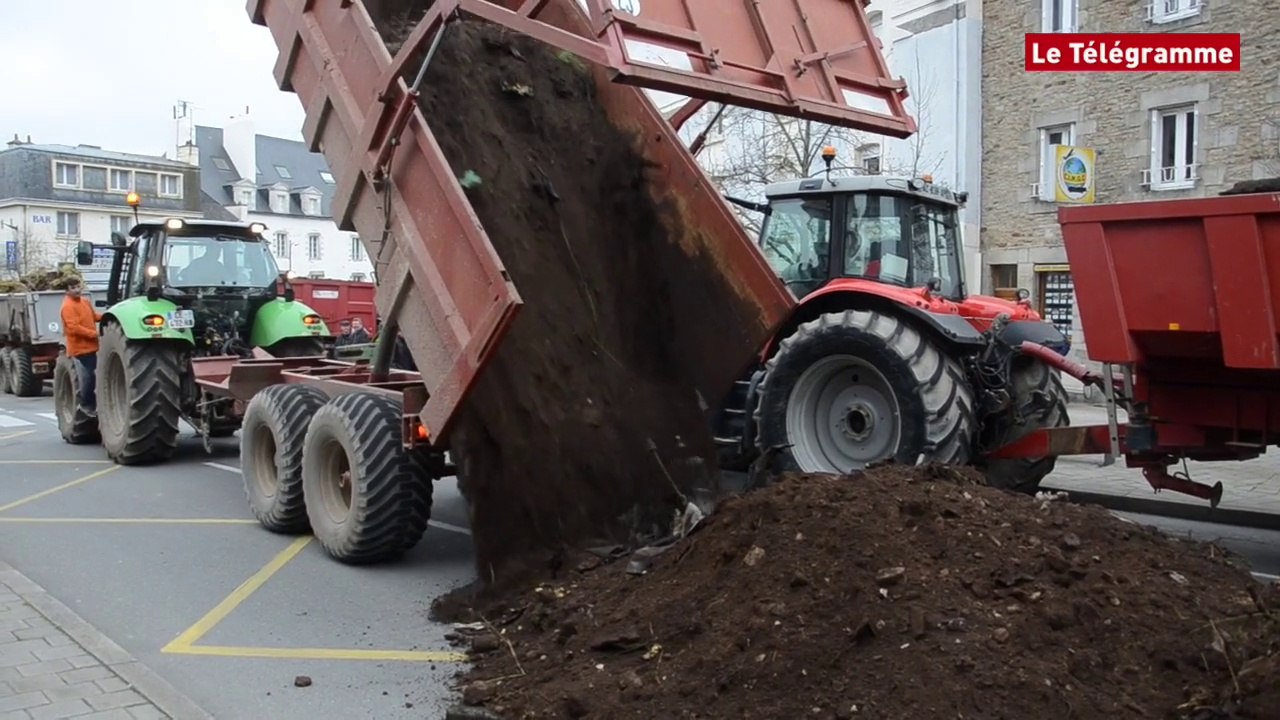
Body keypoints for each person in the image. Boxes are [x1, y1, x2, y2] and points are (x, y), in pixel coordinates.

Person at [60, 278, 102, 417]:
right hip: (80, 349)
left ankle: (92, 404)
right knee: (88, 377)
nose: (77, 290)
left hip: (92, 346)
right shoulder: (67, 306)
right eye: (73, 287)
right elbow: (73, 328)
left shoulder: (85, 302)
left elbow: (94, 316)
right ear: (67, 290)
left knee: (93, 376)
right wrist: (94, 334)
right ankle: (86, 405)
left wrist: (109, 316)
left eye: (78, 286)